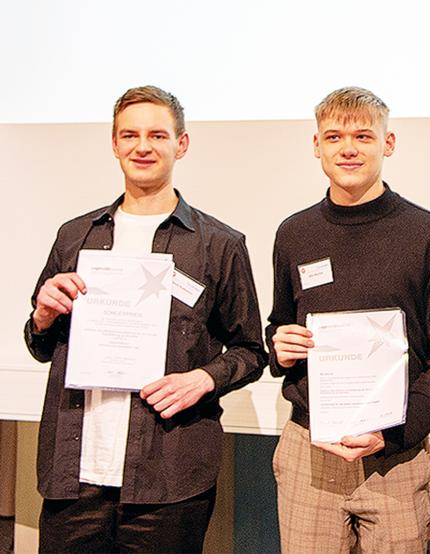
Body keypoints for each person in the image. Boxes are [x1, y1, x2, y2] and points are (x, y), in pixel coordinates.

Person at [25, 85, 266, 553]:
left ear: (181, 144)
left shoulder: (219, 244)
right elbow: (40, 343)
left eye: (157, 135)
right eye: (130, 135)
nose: (142, 146)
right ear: (114, 144)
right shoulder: (75, 235)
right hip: (73, 476)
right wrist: (41, 316)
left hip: (168, 478)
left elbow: (251, 351)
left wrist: (203, 378)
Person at [267, 86, 430, 553]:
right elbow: (277, 327)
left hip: (393, 457)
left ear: (388, 143)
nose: (348, 148)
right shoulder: (294, 233)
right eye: (334, 136)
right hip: (310, 453)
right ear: (316, 145)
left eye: (363, 135)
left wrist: (390, 435)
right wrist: (280, 346)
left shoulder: (428, 235)